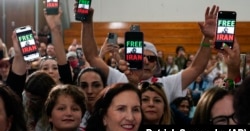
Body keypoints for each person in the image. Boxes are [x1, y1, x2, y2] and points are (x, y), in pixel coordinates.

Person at [78, 5, 220, 104]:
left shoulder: (166, 84)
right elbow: (92, 57)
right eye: (141, 57)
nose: (145, 61)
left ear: (156, 64)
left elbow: (196, 68)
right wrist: (87, 22)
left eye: (151, 58)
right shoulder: (119, 78)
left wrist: (207, 38)